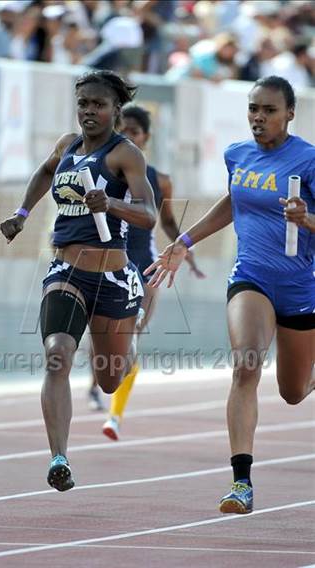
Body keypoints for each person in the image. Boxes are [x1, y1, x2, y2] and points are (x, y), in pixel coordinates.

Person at [145, 76, 314, 514]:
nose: (259, 118)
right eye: (253, 109)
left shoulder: (309, 161)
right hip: (252, 277)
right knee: (246, 365)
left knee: (293, 392)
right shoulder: (237, 154)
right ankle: (241, 482)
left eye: (269, 110)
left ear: (290, 114)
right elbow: (234, 200)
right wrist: (185, 240)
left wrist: (307, 218)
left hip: (300, 285)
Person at [0, 70, 156, 492]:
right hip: (66, 271)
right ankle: (59, 457)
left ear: (114, 111)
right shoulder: (65, 146)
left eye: (98, 104)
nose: (89, 111)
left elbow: (149, 215)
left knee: (109, 378)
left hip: (112, 276)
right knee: (57, 354)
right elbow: (43, 173)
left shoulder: (125, 156)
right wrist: (21, 214)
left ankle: (128, 344)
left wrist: (111, 203)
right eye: (83, 103)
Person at [88, 103, 205, 438]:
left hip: (145, 267)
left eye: (134, 132)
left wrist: (186, 250)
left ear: (146, 137)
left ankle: (114, 417)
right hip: (105, 265)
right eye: (121, 130)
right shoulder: (99, 170)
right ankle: (97, 383)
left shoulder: (159, 180)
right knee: (103, 342)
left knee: (132, 338)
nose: (127, 137)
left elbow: (167, 223)